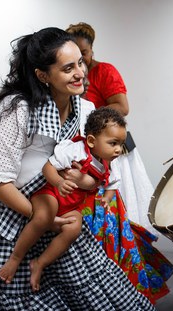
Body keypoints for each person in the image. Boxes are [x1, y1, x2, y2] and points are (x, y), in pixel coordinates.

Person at [0, 27, 154, 310]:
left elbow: (91, 158)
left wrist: (85, 183)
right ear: (43, 75)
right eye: (68, 67)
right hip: (1, 217)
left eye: (80, 63)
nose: (80, 73)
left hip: (53, 208)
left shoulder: (84, 109)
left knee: (89, 285)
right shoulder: (15, 109)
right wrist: (41, 217)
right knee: (13, 296)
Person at [0, 107, 126, 292]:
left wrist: (106, 198)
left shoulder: (109, 163)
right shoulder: (76, 151)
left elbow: (113, 183)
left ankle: (40, 263)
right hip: (51, 193)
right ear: (91, 141)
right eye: (113, 143)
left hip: (71, 205)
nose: (118, 150)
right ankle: (15, 258)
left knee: (74, 228)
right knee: (43, 217)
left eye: (121, 144)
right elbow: (48, 168)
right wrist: (58, 182)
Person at [66, 22, 156, 232]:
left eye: (84, 54)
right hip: (89, 149)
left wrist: (89, 113)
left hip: (110, 149)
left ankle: (127, 250)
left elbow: (122, 107)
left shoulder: (105, 71)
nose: (81, 63)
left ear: (91, 50)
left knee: (121, 201)